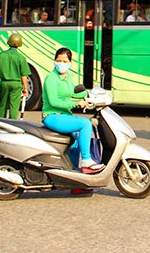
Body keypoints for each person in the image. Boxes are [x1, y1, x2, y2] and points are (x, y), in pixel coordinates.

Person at [42, 46, 104, 176]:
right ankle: (87, 160)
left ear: (70, 63)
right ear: (54, 61)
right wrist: (75, 104)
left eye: (65, 61)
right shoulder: (51, 78)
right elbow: (54, 101)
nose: (61, 64)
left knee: (75, 144)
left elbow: (72, 93)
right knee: (85, 124)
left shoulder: (67, 76)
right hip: (52, 116)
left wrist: (89, 95)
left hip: (64, 116)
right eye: (59, 60)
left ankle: (74, 178)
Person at [0, 33, 30, 119]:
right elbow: (24, 75)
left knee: (2, 105)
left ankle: (0, 123)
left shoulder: (1, 55)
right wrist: (25, 88)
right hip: (16, 84)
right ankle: (12, 124)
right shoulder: (21, 57)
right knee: (14, 106)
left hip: (4, 83)